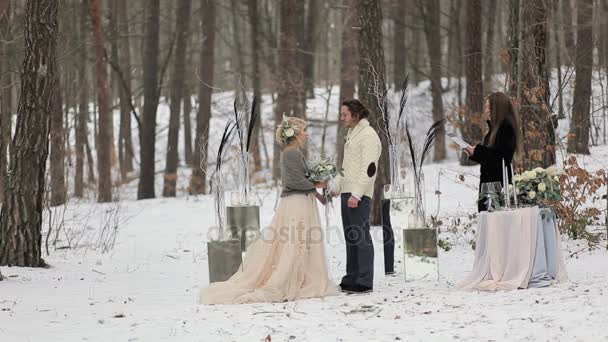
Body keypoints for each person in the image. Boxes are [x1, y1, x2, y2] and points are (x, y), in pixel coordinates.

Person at [200, 116, 338, 304]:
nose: (306, 134)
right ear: (296, 134)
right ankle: (289, 278)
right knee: (293, 242)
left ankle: (301, 276)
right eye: (304, 130)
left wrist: (320, 193)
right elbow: (293, 182)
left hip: (302, 201)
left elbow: (301, 179)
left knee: (299, 242)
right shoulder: (291, 154)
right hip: (296, 204)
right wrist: (319, 184)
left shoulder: (295, 153)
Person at [331, 99, 382, 294]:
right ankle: (351, 277)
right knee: (350, 237)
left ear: (356, 114)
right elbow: (347, 165)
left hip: (358, 194)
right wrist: (337, 186)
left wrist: (357, 194)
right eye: (341, 114)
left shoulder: (368, 135)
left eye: (345, 114)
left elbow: (369, 169)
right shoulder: (352, 133)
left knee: (361, 236)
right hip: (347, 192)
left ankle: (364, 280)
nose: (342, 118)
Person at [464, 92, 522, 212]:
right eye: (486, 107)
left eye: (489, 107)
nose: (486, 110)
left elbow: (500, 157)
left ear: (498, 109)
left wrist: (477, 151)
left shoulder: (506, 128)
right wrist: (474, 153)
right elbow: (490, 157)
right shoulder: (494, 129)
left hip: (498, 187)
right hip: (489, 185)